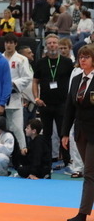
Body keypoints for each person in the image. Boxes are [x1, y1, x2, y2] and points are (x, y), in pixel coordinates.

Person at [61, 46, 94, 221]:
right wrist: (65, 133)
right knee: (91, 173)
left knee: (88, 173)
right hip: (80, 131)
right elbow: (69, 108)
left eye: (87, 57)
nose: (83, 60)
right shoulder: (76, 80)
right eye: (81, 56)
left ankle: (82, 213)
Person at [33, 34, 74, 167]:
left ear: (58, 45)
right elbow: (35, 82)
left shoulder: (67, 62)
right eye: (49, 43)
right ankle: (47, 161)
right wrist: (36, 98)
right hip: (45, 104)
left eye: (54, 43)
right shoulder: (40, 62)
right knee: (47, 134)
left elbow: (73, 81)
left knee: (64, 133)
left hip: (63, 104)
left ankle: (67, 161)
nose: (52, 45)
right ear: (46, 46)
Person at [2, 33, 33, 162]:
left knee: (18, 129)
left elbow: (28, 77)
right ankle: (4, 156)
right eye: (7, 42)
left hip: (14, 96)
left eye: (11, 42)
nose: (8, 45)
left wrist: (13, 83)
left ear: (15, 44)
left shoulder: (21, 59)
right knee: (3, 128)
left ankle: (22, 156)